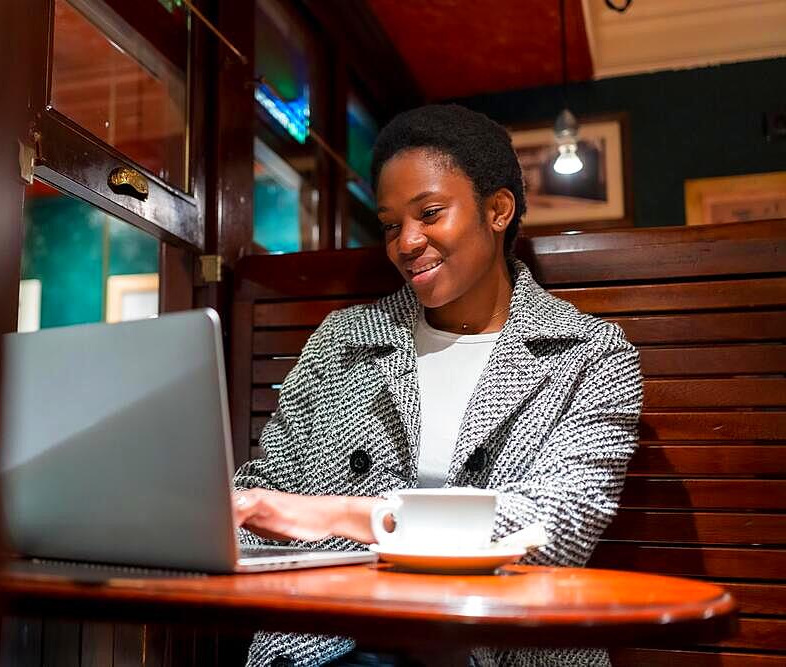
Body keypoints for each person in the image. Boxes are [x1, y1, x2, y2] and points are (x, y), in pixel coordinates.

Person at [233, 104, 643, 667]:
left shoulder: (590, 355)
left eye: (429, 213)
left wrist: (341, 515)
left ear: (497, 210)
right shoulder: (342, 342)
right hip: (336, 642)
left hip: (502, 646)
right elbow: (267, 493)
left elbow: (557, 530)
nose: (406, 243)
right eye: (390, 225)